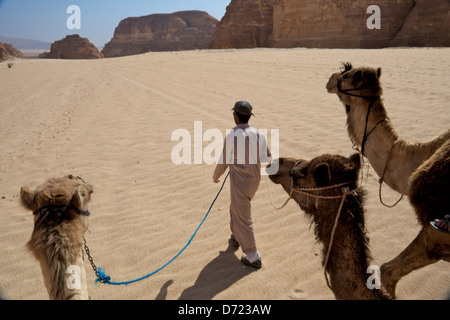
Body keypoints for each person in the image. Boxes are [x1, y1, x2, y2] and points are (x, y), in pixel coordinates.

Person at [213, 101, 272, 269]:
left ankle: (253, 256)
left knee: (243, 217)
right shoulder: (259, 134)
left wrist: (216, 176)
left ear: (235, 116)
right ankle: (236, 237)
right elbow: (267, 158)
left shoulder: (232, 136)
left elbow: (223, 161)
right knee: (236, 209)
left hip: (241, 184)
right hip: (254, 182)